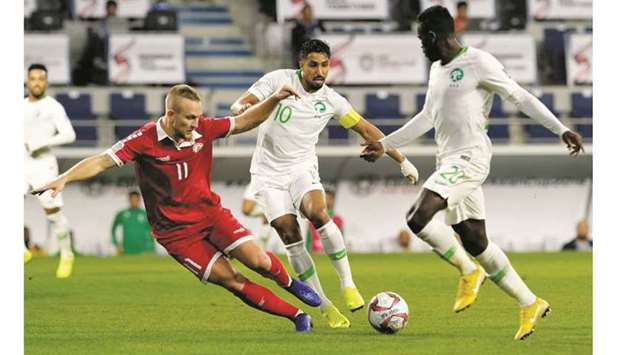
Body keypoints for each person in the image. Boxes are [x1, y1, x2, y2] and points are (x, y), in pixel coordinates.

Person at [360, 5, 584, 340]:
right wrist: (384, 144)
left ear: (435, 36)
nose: (421, 47)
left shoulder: (478, 62)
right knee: (475, 240)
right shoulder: (437, 70)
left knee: (417, 218)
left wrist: (559, 128)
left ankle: (467, 271)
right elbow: (426, 118)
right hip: (447, 160)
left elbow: (519, 96)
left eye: (423, 40)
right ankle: (530, 302)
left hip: (470, 158)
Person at [32, 83, 323, 332]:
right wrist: (65, 178)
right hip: (177, 235)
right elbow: (101, 160)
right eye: (189, 118)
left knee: (258, 260)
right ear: (170, 115)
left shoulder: (204, 129)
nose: (196, 124)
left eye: (198, 117)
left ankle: (290, 284)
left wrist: (274, 99)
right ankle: (297, 316)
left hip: (211, 215)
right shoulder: (143, 140)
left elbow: (245, 122)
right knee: (232, 280)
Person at [230, 39, 420, 328]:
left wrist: (401, 160)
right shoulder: (278, 80)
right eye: (313, 65)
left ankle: (348, 284)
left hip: (302, 168)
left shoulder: (332, 100)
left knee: (318, 213)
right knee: (288, 232)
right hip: (268, 173)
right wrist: (240, 106)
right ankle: (325, 306)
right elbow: (245, 102)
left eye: (324, 65)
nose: (320, 71)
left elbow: (367, 129)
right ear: (301, 64)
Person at [24, 63, 77, 277]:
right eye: (33, 78)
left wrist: (40, 143)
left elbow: (69, 135)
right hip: (19, 163)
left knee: (53, 213)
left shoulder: (53, 106)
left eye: (41, 78)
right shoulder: (18, 106)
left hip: (43, 164)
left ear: (46, 82)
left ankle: (67, 254)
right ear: (27, 81)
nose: (37, 82)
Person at [111, 191, 154, 255]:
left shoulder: (146, 214)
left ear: (139, 200)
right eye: (132, 199)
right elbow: (113, 229)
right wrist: (116, 244)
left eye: (136, 199)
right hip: (126, 250)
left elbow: (152, 232)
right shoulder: (122, 214)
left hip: (143, 251)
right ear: (129, 200)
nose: (134, 201)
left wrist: (150, 247)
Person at [305, 189, 343, 253]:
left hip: (333, 254)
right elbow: (309, 240)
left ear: (333, 200)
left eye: (330, 198)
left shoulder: (338, 220)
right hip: (316, 255)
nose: (327, 200)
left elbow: (341, 241)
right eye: (325, 198)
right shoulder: (313, 218)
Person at [290, 3, 324, 68]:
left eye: (309, 12)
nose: (308, 14)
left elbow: (324, 35)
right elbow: (295, 44)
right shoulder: (298, 27)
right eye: (306, 12)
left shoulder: (318, 24)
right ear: (303, 13)